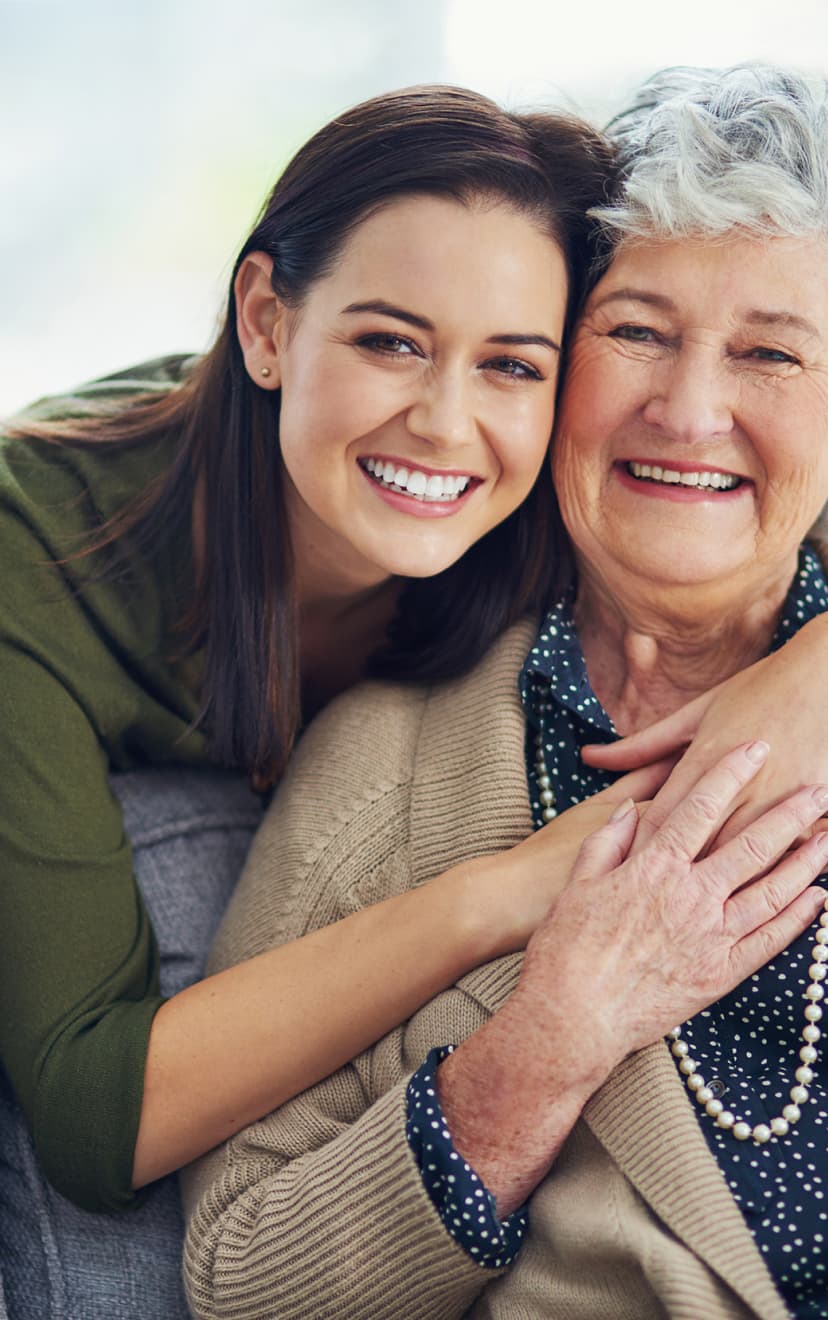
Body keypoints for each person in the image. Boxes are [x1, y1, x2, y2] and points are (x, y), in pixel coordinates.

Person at [181, 64, 828, 1320]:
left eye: (772, 354)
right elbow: (241, 1278)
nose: (690, 410)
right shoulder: (392, 759)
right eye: (635, 330)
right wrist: (550, 1043)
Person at [0, 85, 627, 1320]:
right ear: (267, 320)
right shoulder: (34, 552)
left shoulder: (580, 480)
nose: (447, 424)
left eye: (511, 364)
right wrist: (499, 897)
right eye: (391, 341)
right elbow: (94, 1113)